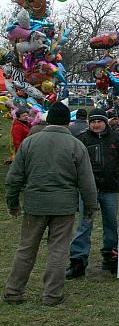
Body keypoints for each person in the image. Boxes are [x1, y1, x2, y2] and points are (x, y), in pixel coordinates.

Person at [4, 102, 97, 306]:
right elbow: (87, 183)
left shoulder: (30, 142)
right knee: (58, 250)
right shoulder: (76, 145)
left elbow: (14, 178)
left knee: (26, 248)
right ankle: (52, 295)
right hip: (64, 207)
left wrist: (12, 203)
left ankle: (13, 292)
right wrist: (90, 208)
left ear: (48, 120)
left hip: (35, 204)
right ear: (68, 122)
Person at [65, 108, 119, 279]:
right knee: (84, 224)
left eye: (99, 121)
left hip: (110, 188)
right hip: (88, 190)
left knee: (110, 224)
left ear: (105, 122)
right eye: (93, 122)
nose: (96, 125)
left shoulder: (117, 138)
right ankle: (78, 261)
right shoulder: (82, 139)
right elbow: (72, 164)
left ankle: (111, 256)